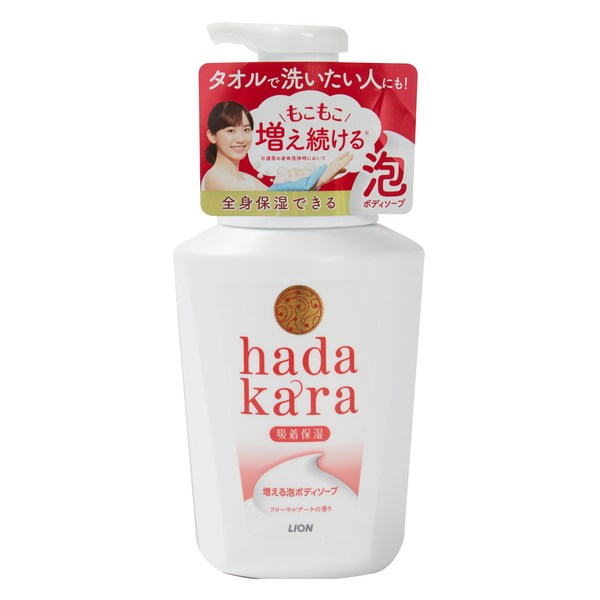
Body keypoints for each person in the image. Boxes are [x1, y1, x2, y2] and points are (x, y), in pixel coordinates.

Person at [201, 101, 352, 192]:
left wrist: (317, 180)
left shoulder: (246, 178)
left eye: (246, 130)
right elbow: (268, 205)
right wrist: (317, 178)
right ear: (212, 136)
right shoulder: (216, 177)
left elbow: (280, 203)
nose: (241, 139)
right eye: (230, 131)